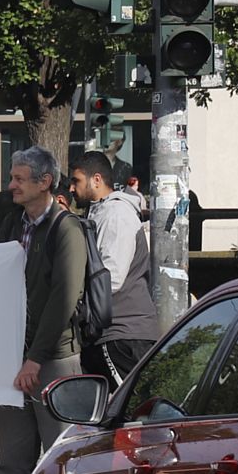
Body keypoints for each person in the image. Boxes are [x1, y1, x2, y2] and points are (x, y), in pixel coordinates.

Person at [0, 145, 86, 474]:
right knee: (12, 458)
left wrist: (36, 359)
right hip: (12, 355)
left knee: (57, 458)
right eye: (12, 177)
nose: (11, 185)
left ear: (45, 181)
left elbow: (64, 298)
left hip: (53, 360)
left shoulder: (66, 229)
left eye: (20, 178)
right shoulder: (12, 224)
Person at [69, 150, 158, 385]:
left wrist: (79, 307)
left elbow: (110, 278)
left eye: (76, 180)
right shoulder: (101, 212)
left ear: (96, 180)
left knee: (128, 412)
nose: (71, 188)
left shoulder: (116, 214)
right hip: (108, 334)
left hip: (123, 335)